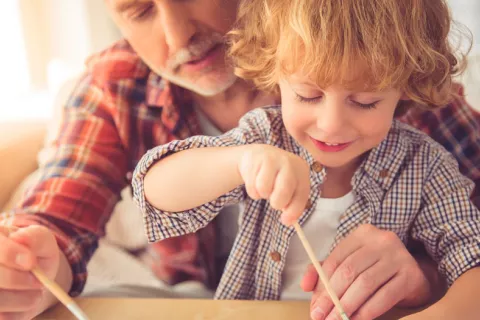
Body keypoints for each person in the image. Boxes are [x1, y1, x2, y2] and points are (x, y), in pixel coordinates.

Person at [0, 0, 478, 319]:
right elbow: (74, 219)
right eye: (140, 10)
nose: (177, 34)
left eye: (366, 102)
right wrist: (30, 264)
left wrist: (429, 276)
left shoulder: (395, 65)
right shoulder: (253, 132)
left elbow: (470, 249)